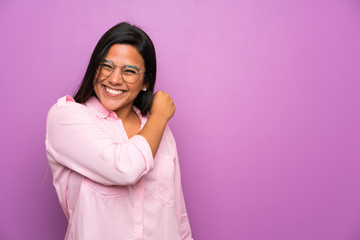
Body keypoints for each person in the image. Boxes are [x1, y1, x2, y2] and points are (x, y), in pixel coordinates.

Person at [45, 22, 193, 240]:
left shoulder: (156, 126)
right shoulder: (66, 117)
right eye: (106, 66)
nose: (114, 79)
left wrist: (157, 120)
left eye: (130, 71)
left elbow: (177, 212)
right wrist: (160, 115)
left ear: (145, 82)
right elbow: (125, 167)